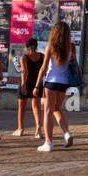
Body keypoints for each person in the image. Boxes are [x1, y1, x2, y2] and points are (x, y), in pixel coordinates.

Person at [35, 21, 76, 153]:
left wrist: (36, 85)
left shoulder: (51, 47)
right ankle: (67, 133)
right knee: (57, 109)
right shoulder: (71, 47)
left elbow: (44, 68)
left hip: (51, 82)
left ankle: (48, 142)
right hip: (64, 83)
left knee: (47, 111)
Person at [16, 37, 44, 139]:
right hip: (37, 83)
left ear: (27, 47)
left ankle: (20, 129)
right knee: (36, 107)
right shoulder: (42, 56)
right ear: (36, 46)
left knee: (21, 107)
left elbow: (24, 72)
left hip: (26, 83)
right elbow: (44, 70)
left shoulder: (24, 57)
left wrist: (23, 85)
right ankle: (38, 129)